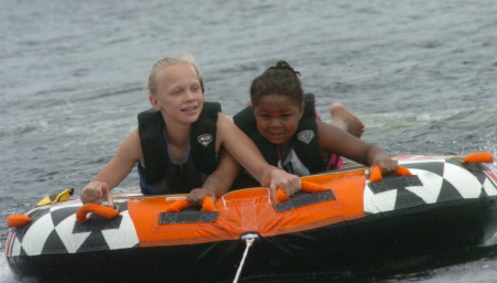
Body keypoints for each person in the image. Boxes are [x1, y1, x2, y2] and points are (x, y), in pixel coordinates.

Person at [79, 54, 300, 206]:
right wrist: (93, 191)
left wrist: (276, 174)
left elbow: (262, 170)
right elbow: (99, 185)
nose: (190, 98)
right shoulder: (139, 140)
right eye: (177, 92)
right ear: (155, 102)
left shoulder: (220, 126)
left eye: (195, 88)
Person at [229, 60, 397, 189]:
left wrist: (381, 160)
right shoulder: (243, 139)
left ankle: (342, 118)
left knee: (332, 135)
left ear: (301, 111)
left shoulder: (319, 134)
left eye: (285, 116)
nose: (275, 124)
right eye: (266, 116)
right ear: (254, 112)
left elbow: (369, 150)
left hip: (321, 156)